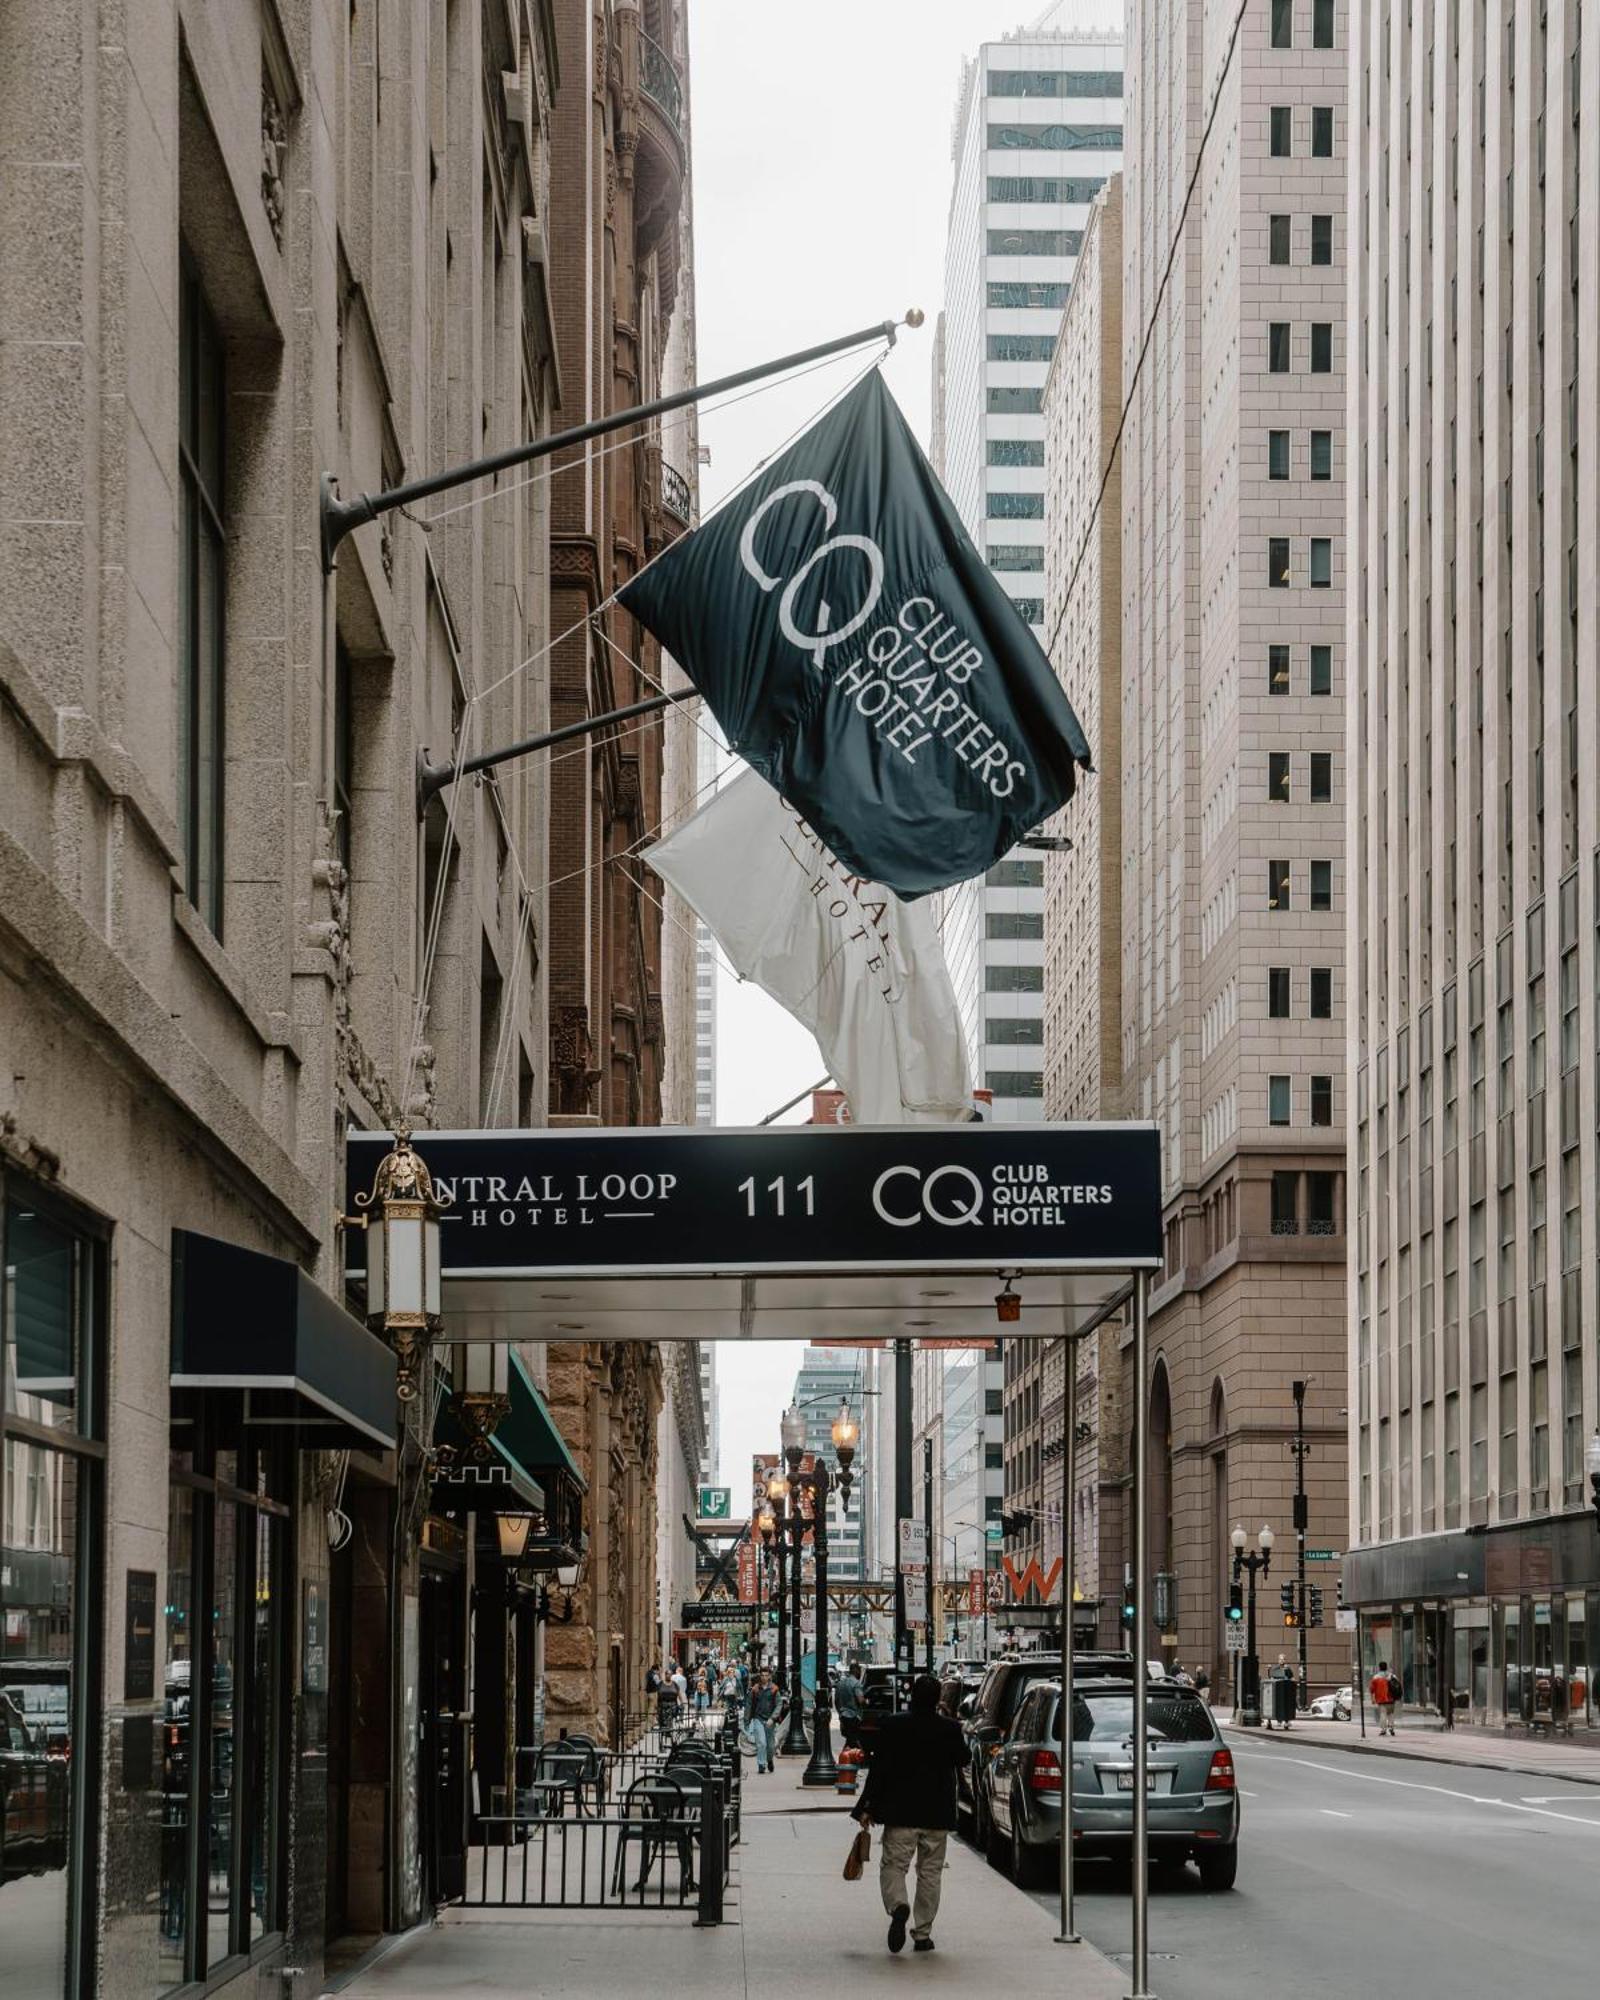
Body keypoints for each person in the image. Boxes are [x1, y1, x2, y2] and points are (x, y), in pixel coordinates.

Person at [851, 1673, 965, 1956]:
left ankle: (898, 1905)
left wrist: (867, 1806)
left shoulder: (893, 1725)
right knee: (930, 1873)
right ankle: (923, 1933)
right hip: (937, 1815)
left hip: (900, 1813)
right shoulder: (949, 1729)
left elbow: (879, 1771)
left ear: (911, 1696)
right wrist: (949, 1720)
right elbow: (964, 1759)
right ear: (938, 1699)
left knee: (893, 1866)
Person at [748, 1671, 782, 1773]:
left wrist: (772, 1718)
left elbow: (779, 1704)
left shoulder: (774, 1689)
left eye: (766, 1675)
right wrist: (747, 1720)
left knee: (771, 1746)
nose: (764, 1677)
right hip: (758, 1718)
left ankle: (769, 1760)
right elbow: (749, 1705)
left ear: (769, 1676)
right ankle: (761, 1765)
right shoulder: (755, 1689)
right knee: (761, 1743)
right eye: (762, 1675)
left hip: (770, 1720)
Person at [835, 1657, 863, 1749]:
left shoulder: (840, 1684)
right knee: (854, 1740)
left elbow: (836, 1701)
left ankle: (846, 1758)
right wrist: (867, 1701)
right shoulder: (856, 1683)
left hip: (843, 1717)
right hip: (853, 1717)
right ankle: (859, 1759)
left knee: (850, 1740)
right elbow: (860, 1700)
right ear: (856, 1671)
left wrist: (840, 1713)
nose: (860, 1673)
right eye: (859, 1671)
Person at [1371, 1660, 1399, 1736]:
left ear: (1379, 1667)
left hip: (1381, 1699)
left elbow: (1372, 1689)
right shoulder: (1392, 1676)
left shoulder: (1376, 1677)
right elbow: (1397, 1686)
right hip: (1391, 1699)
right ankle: (1391, 1728)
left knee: (1383, 1714)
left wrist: (1373, 1699)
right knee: (1391, 1714)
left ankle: (1383, 1729)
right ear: (1386, 1667)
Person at [1268, 1655, 1295, 1729]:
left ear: (1285, 1660)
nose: (1282, 1661)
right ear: (1278, 1660)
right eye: (1280, 1659)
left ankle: (1287, 1722)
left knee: (1286, 1706)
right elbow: (1272, 1677)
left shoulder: (1288, 1669)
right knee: (1279, 1706)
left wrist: (1292, 1681)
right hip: (1278, 1691)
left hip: (1286, 1691)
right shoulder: (1276, 1669)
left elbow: (1292, 1678)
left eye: (1283, 1659)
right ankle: (1279, 1721)